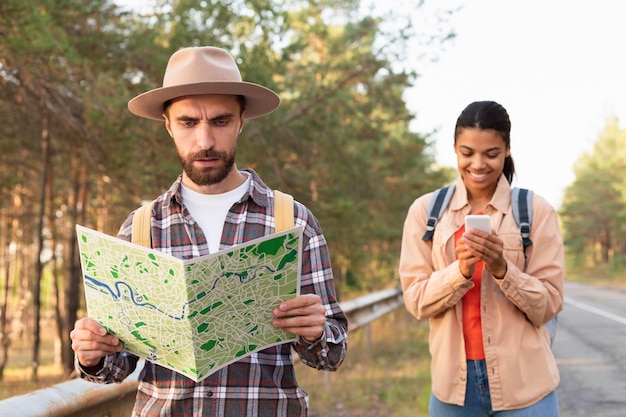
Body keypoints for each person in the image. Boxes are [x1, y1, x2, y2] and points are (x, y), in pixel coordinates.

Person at [70, 46, 348, 417]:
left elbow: (332, 355)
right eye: (188, 123)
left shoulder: (292, 222)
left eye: (220, 121)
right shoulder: (141, 228)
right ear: (168, 125)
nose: (204, 141)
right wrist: (91, 354)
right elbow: (117, 367)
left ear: (241, 121)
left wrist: (315, 332)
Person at [399, 101, 563, 416]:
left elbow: (548, 305)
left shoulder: (536, 211)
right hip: (453, 391)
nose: (478, 164)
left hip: (526, 389)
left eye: (491, 154)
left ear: (507, 150)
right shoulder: (426, 211)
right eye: (467, 153)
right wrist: (460, 271)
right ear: (454, 149)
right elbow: (417, 302)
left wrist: (503, 269)